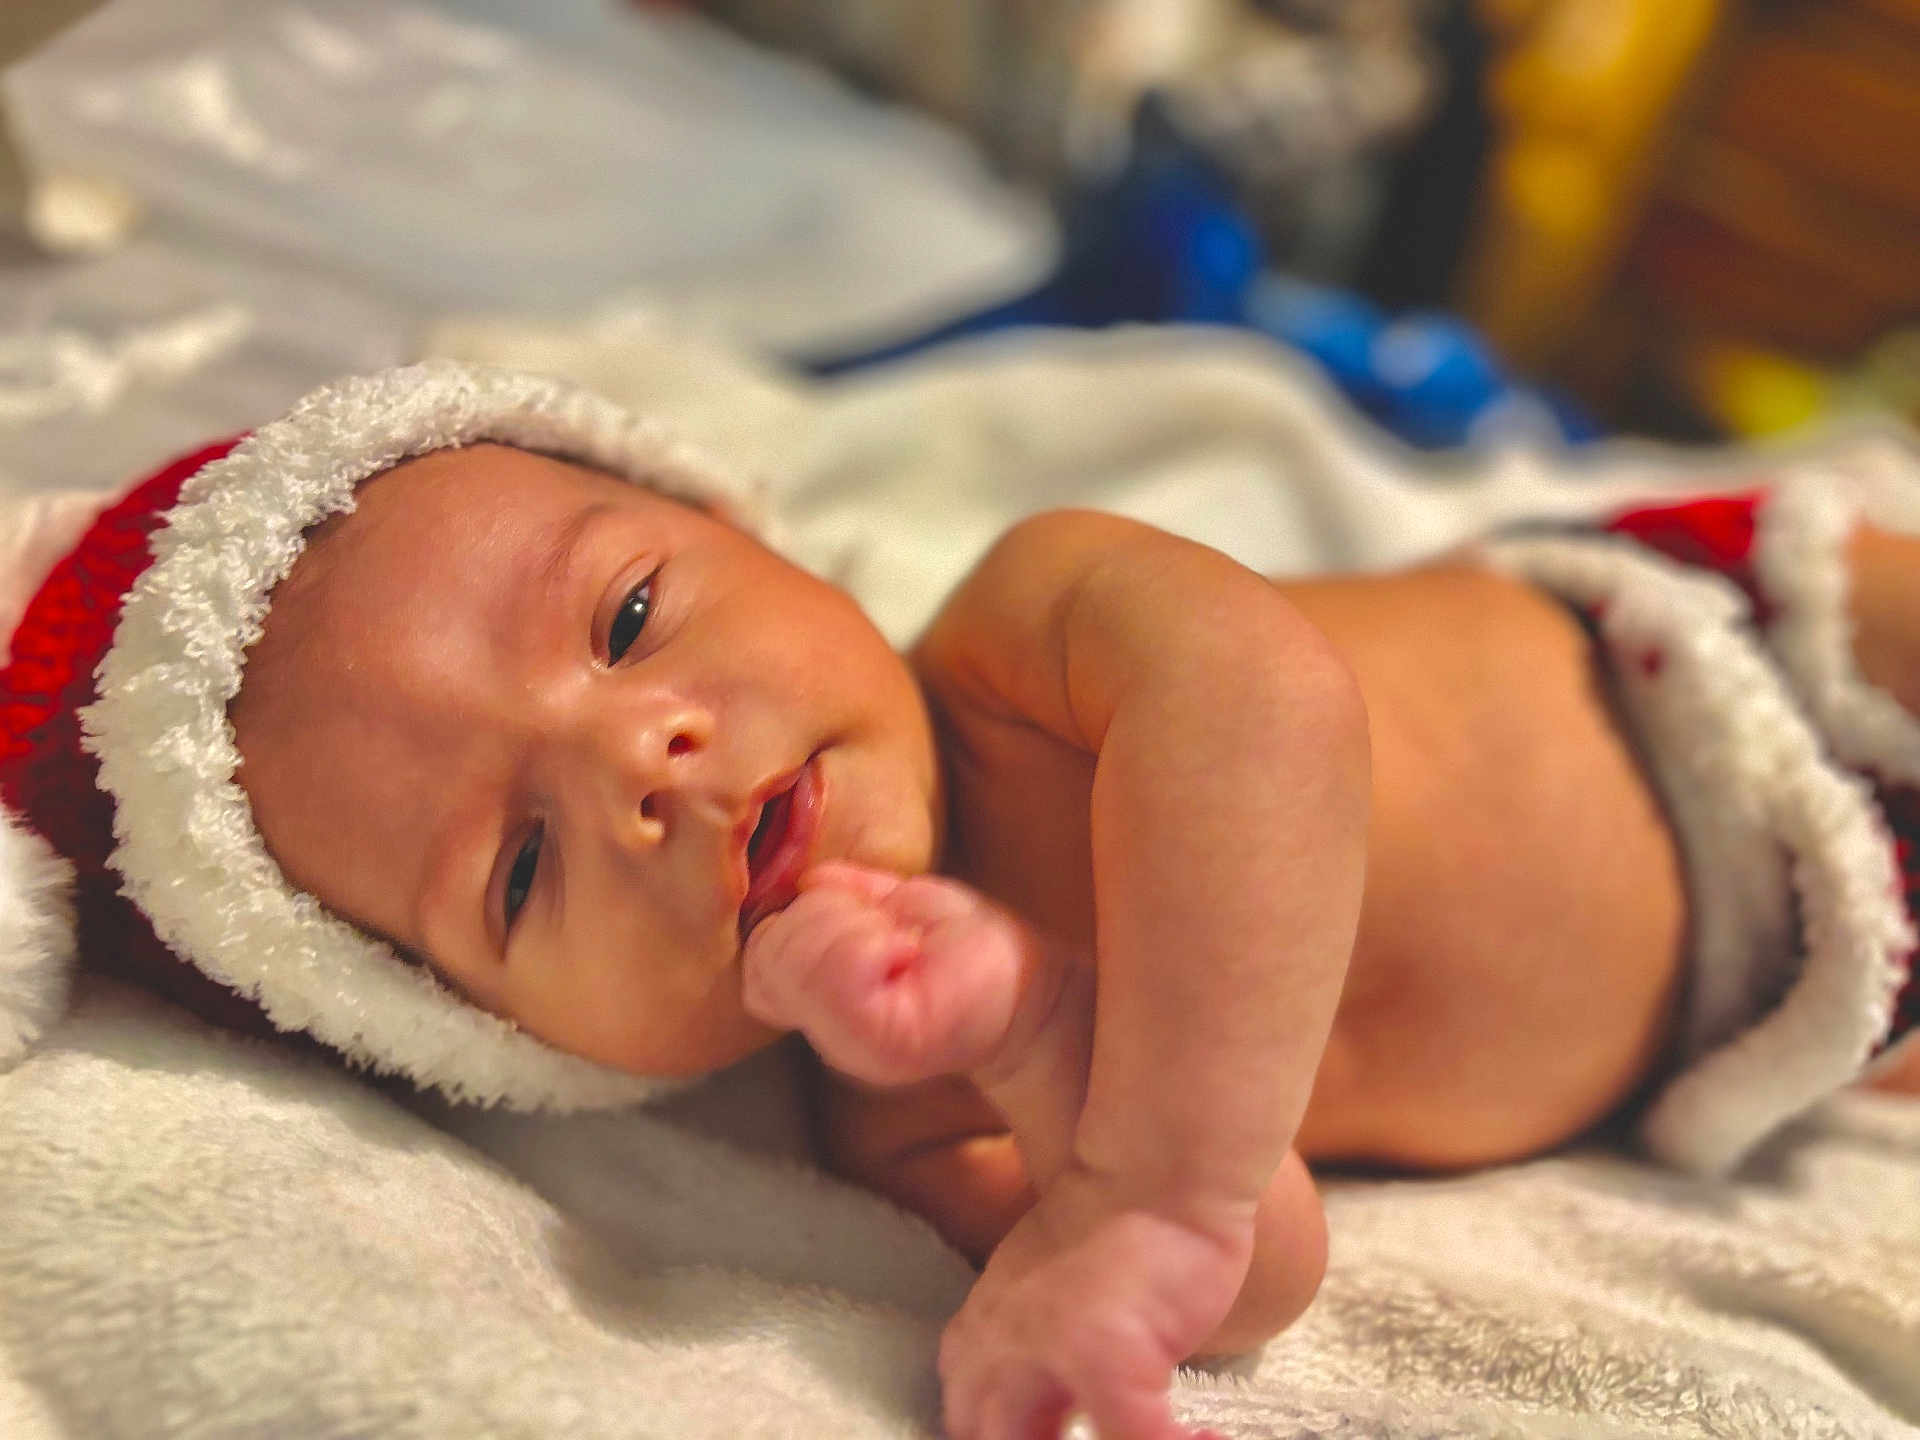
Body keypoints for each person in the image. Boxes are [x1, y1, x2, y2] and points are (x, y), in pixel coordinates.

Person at [2, 363, 1915, 1440]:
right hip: (1821, 991)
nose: (639, 760)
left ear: (739, 524)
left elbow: (1270, 708)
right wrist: (1040, 1045)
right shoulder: (908, 1108)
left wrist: (1145, 1179)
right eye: (517, 869)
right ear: (503, 1047)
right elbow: (1262, 1271)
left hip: (1727, 659)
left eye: (631, 618)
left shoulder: (1031, 630)